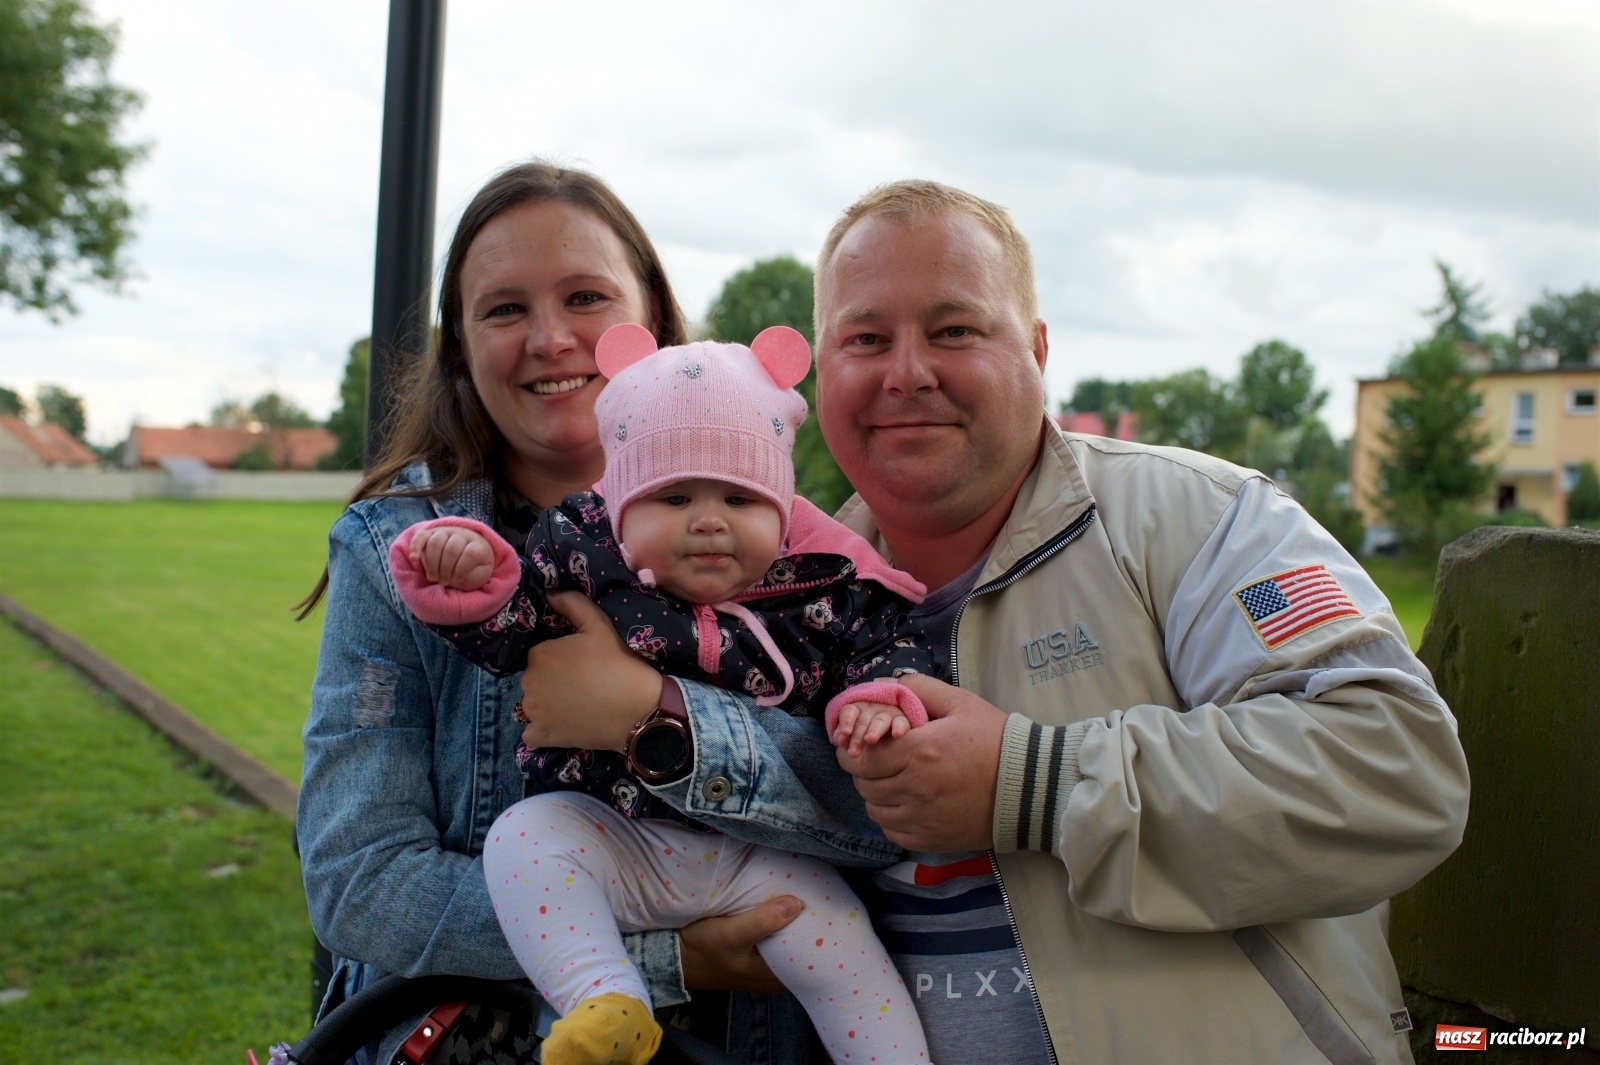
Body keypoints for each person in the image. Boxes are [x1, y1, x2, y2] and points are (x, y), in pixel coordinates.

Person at [525, 179, 1471, 1064]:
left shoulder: (1197, 520)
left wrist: (1034, 782)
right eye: (865, 339)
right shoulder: (762, 594)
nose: (907, 374)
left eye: (954, 329)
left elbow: (1396, 769)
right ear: (816, 376)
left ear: (1039, 351)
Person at [295, 162, 874, 1065]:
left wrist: (656, 717)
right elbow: (361, 882)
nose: (550, 338)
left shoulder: (798, 551)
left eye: (585, 297)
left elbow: (877, 814)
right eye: (504, 309)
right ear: (462, 347)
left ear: (651, 323)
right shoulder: (396, 551)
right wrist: (669, 955)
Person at [386, 323, 934, 1064]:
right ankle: (607, 1000)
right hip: (614, 839)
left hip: (761, 850)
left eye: (740, 497)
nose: (709, 520)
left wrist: (876, 696)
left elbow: (885, 645)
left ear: (781, 510)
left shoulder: (827, 584)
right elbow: (512, 634)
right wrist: (477, 583)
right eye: (673, 497)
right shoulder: (579, 561)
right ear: (620, 505)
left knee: (844, 950)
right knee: (524, 840)